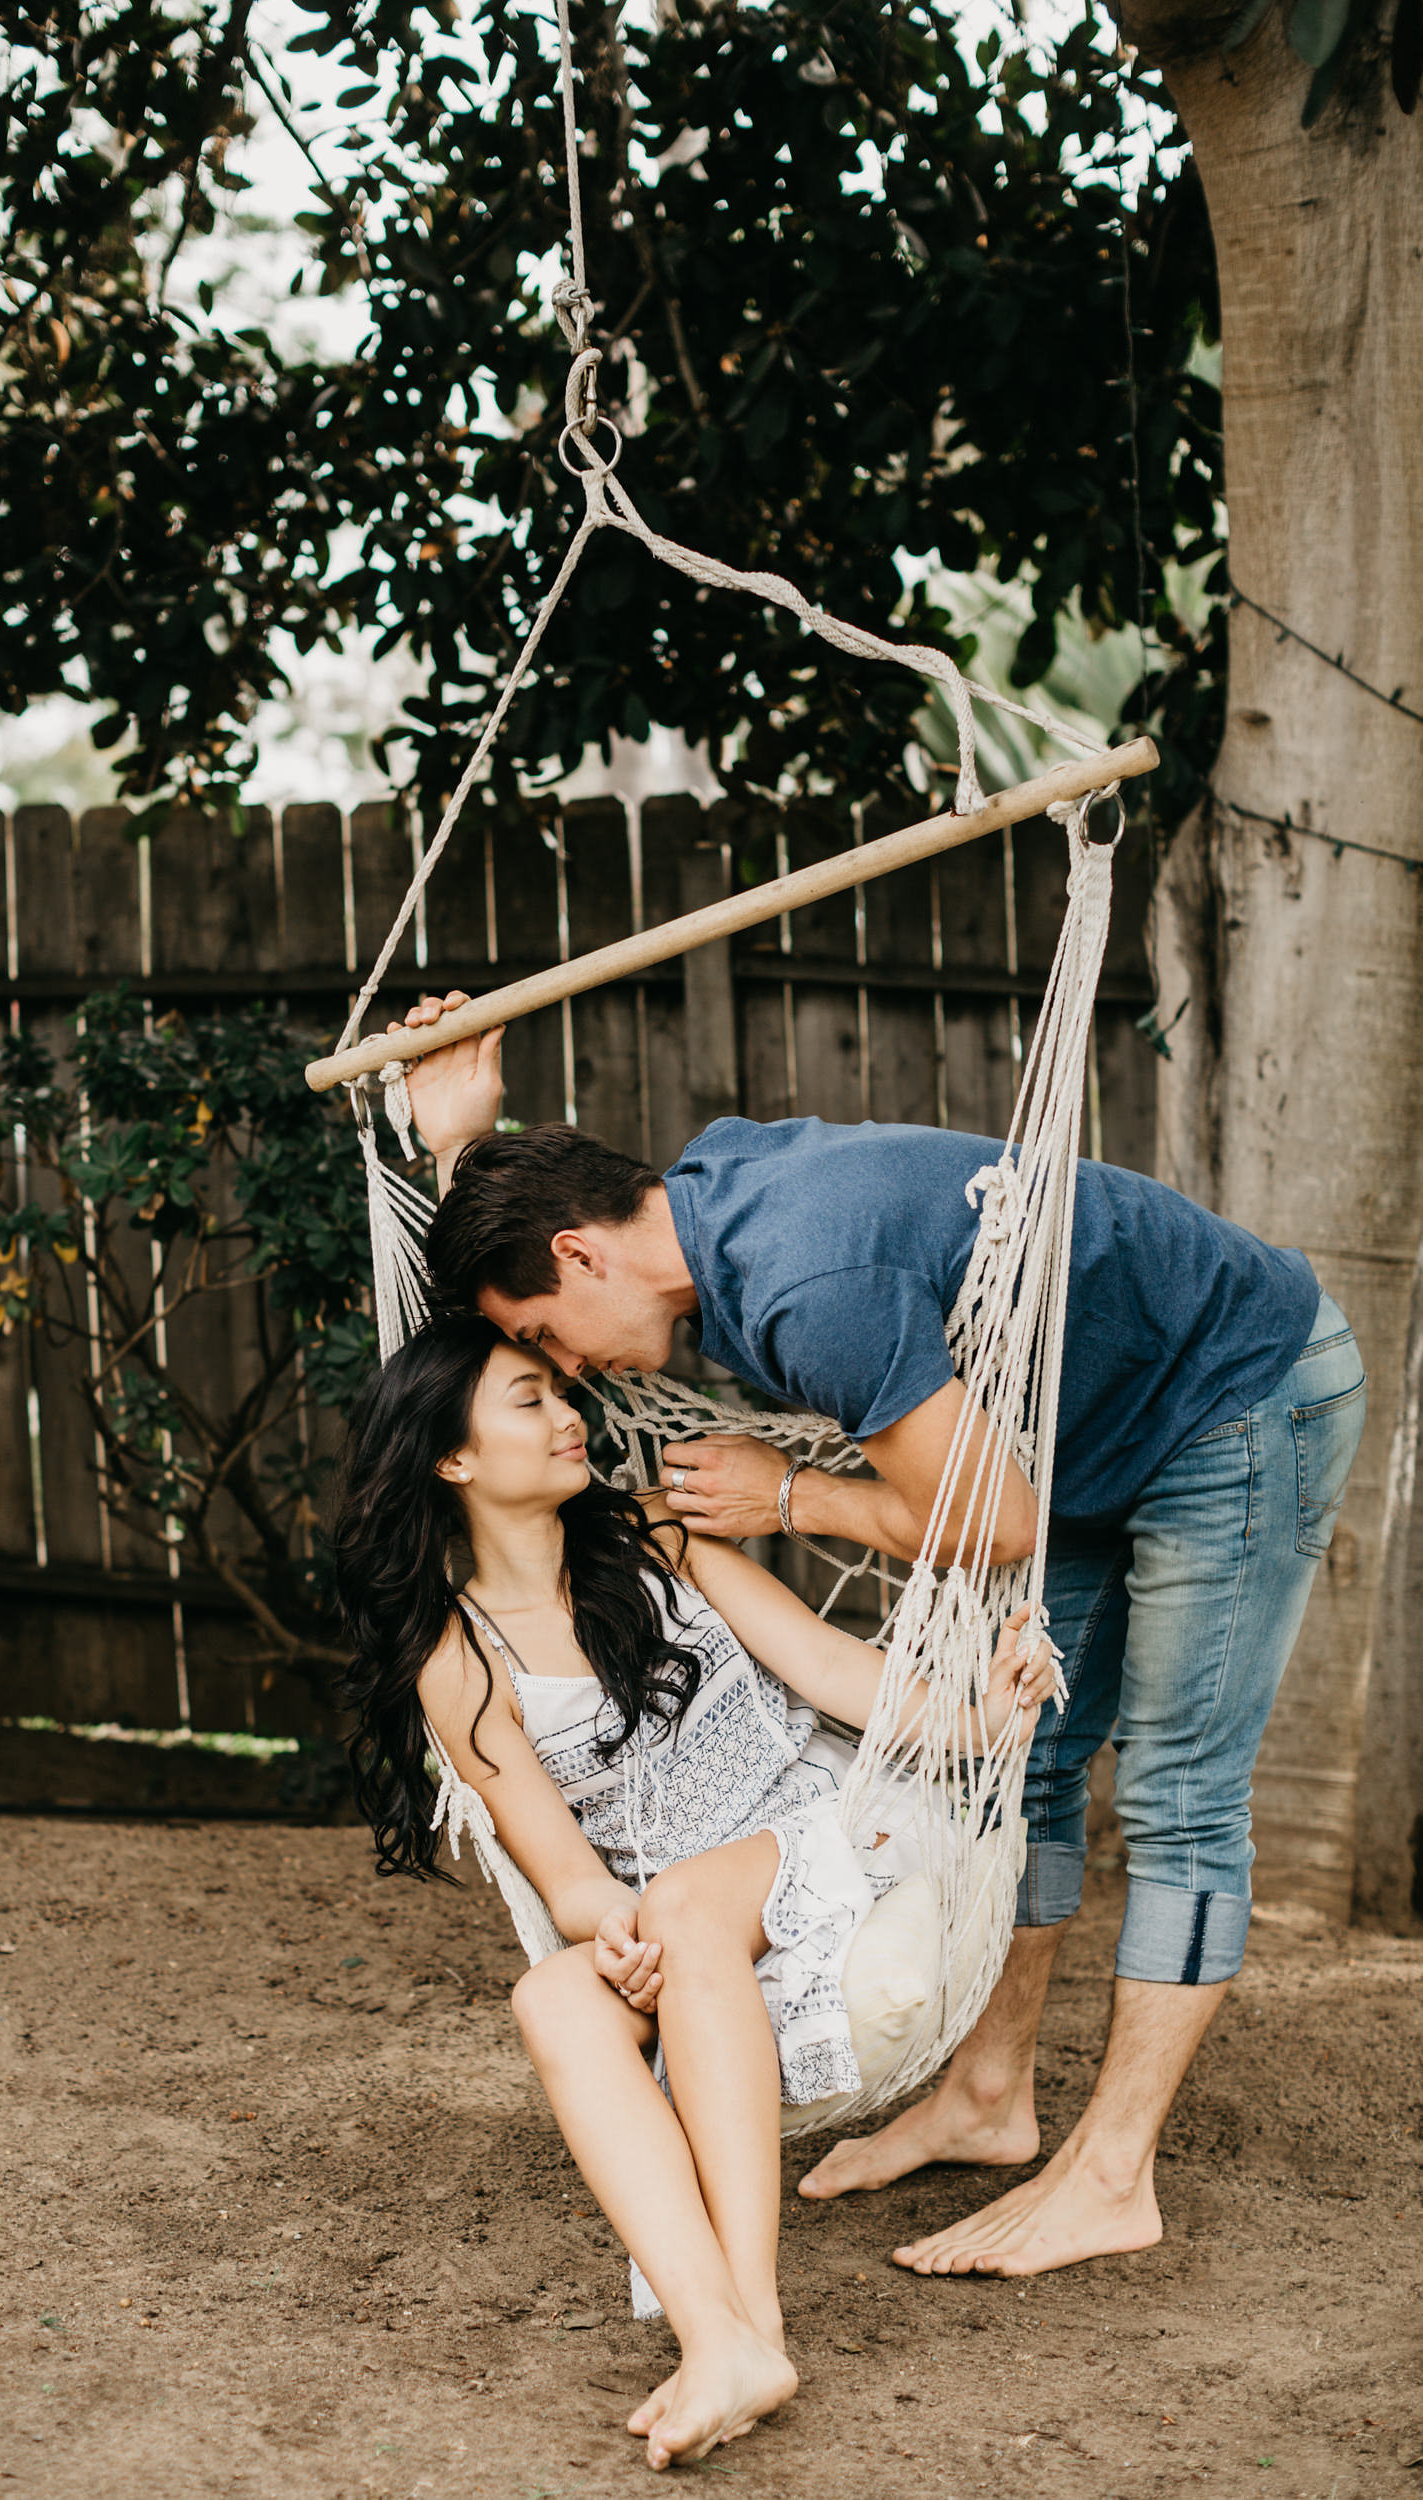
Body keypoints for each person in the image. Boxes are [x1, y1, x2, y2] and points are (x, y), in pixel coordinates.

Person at [392, 991, 1368, 2281]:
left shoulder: (803, 1283)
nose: (563, 1372)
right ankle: (988, 2093)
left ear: (577, 1259)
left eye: (540, 1340)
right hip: (1085, 1427)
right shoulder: (701, 1204)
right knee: (1021, 1763)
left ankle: (1112, 2175)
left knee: (1182, 1797)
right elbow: (497, 1321)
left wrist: (782, 1496)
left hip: (1236, 1394)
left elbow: (998, 1522)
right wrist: (458, 1148)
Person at [334, 1312, 1056, 2470]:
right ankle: (718, 2332)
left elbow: (828, 1671)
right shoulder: (457, 1657)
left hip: (837, 1829)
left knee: (676, 1902)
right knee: (556, 2001)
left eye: (559, 1395)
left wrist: (979, 1715)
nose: (569, 1417)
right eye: (528, 1401)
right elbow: (561, 1866)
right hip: (690, 1917)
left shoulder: (655, 1542)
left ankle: (749, 2324)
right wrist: (600, 1925)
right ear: (450, 1457)